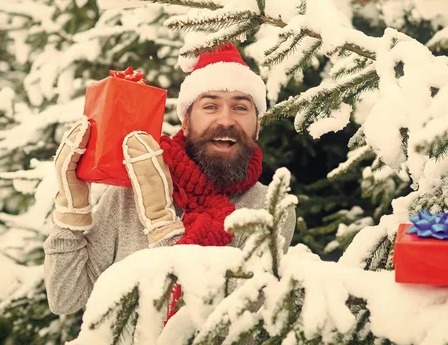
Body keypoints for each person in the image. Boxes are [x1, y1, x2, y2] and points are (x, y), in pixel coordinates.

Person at [44, 42, 297, 315]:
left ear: (257, 127)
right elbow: (66, 299)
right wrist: (71, 213)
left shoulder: (269, 207)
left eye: (240, 108)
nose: (226, 120)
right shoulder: (131, 191)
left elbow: (222, 322)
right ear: (186, 122)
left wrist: (161, 223)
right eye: (210, 106)